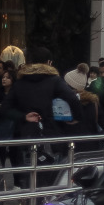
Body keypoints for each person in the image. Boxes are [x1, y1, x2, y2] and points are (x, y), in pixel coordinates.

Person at [6, 47, 83, 186]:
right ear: (49, 62)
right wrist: (76, 118)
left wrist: (24, 116)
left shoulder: (20, 82)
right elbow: (73, 99)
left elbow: (5, 109)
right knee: (52, 177)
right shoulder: (54, 80)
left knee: (29, 177)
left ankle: (31, 204)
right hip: (51, 135)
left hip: (26, 135)